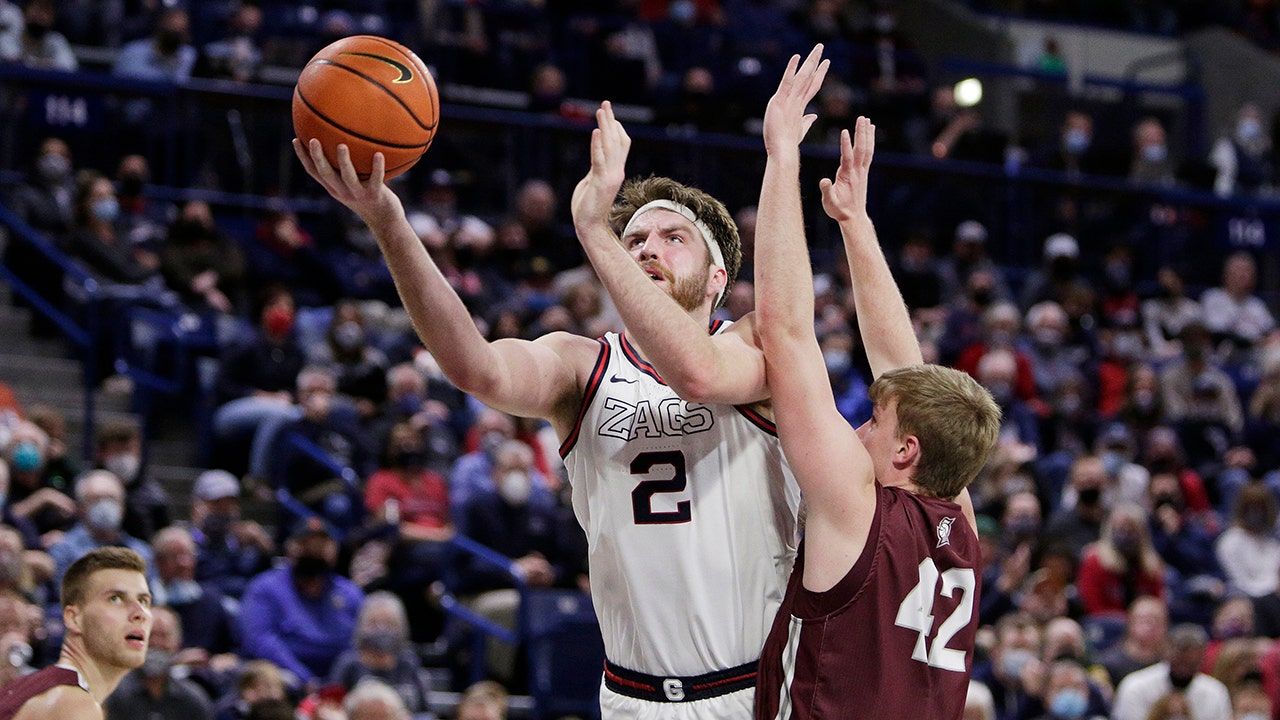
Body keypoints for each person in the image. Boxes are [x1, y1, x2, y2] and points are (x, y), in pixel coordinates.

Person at [294, 55, 805, 720]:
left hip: (754, 692)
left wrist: (596, 227)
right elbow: (476, 367)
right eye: (635, 238)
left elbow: (697, 374)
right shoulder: (581, 364)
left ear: (716, 277)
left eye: (672, 237)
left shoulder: (753, 347)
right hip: (632, 698)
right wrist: (389, 222)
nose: (646, 247)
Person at [750, 52, 1001, 719]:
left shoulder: (857, 507)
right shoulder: (961, 521)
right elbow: (901, 367)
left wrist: (781, 159)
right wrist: (856, 226)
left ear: (906, 451)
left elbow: (785, 334)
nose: (859, 428)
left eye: (874, 422)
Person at [0, 546, 152, 720]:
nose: (139, 613)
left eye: (143, 600)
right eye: (115, 599)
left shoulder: (38, 687)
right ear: (74, 618)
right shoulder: (72, 704)